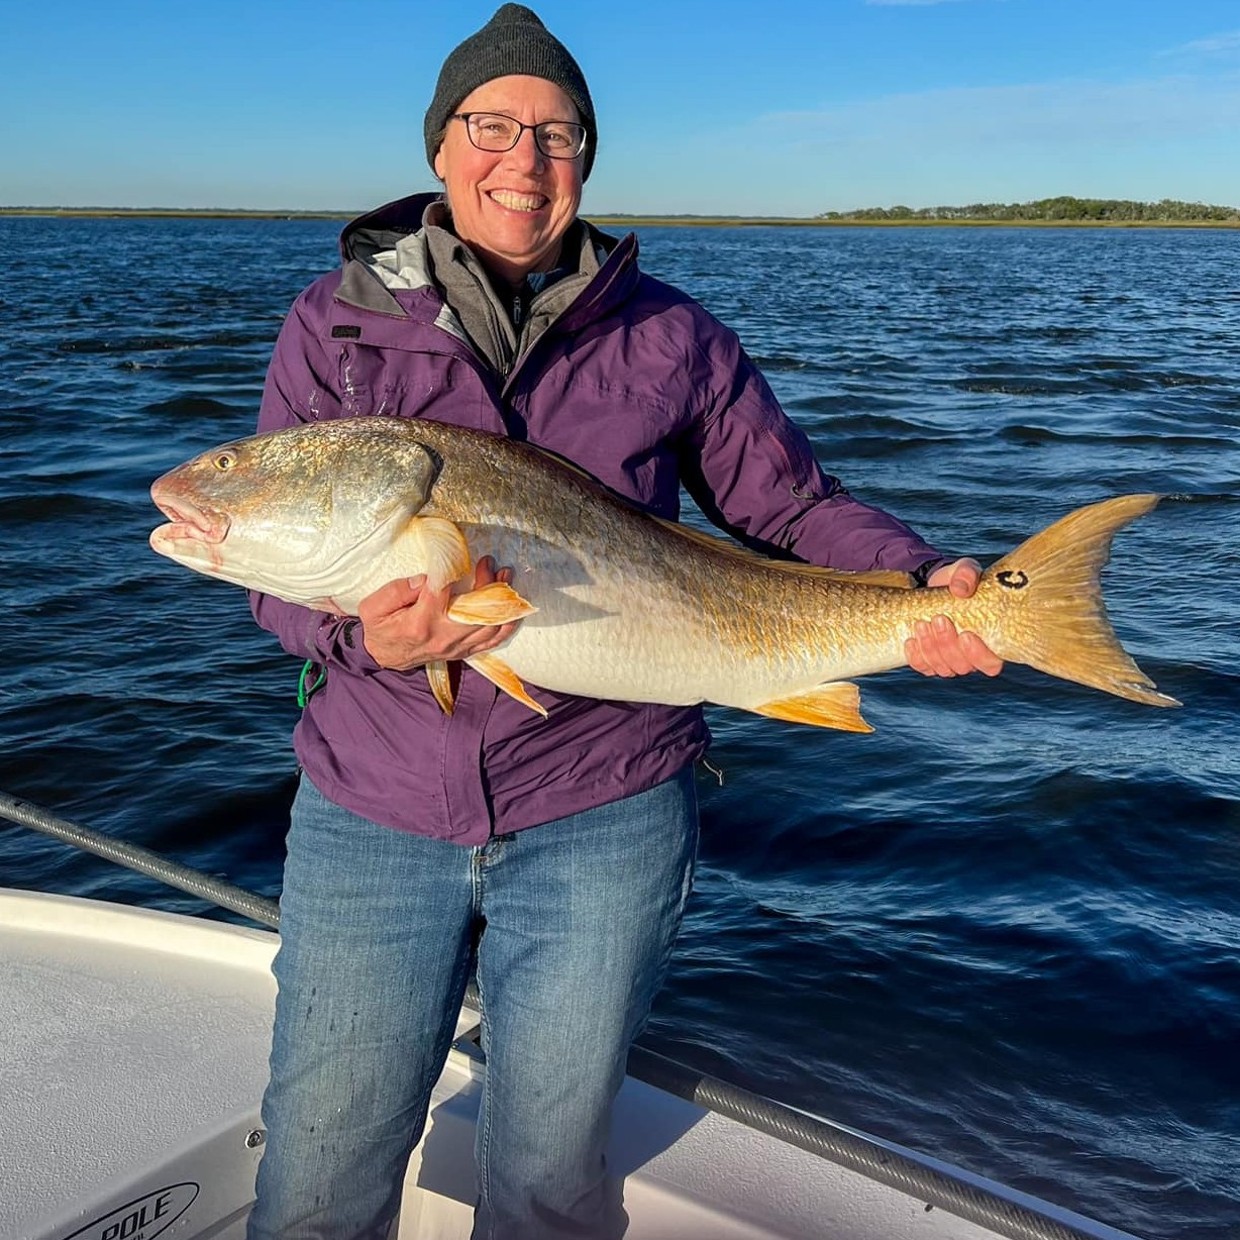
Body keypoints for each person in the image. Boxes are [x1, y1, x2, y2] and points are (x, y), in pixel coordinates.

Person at [245, 6, 1003, 1238]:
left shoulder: (671, 333)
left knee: (548, 1180)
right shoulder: (327, 326)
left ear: (586, 160)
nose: (524, 159)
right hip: (372, 806)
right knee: (319, 1173)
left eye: (558, 133)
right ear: (439, 147)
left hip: (605, 806)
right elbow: (280, 571)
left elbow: (790, 503)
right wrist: (359, 642)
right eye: (492, 125)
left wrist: (920, 580)